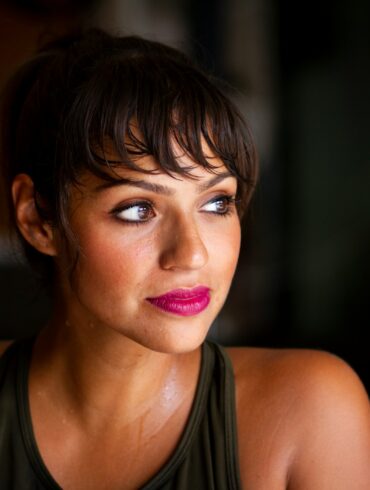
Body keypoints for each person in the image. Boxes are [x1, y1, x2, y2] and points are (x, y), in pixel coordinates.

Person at [0, 29, 369, 490]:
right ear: (38, 218)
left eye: (216, 203)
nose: (192, 254)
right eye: (138, 209)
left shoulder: (311, 413)